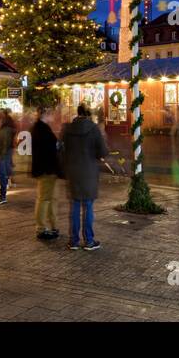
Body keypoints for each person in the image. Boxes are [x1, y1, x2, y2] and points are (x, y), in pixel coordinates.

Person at [61, 102, 106, 250]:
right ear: (88, 114)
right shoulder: (93, 129)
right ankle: (89, 241)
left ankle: (73, 241)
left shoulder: (67, 129)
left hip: (73, 172)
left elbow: (62, 150)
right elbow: (102, 152)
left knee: (74, 206)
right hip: (88, 172)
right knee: (87, 206)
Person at [30, 107, 61, 240]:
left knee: (51, 198)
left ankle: (53, 225)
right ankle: (41, 228)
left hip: (48, 169)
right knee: (44, 199)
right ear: (45, 114)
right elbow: (48, 149)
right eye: (51, 113)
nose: (53, 116)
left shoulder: (41, 128)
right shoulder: (41, 129)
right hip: (46, 169)